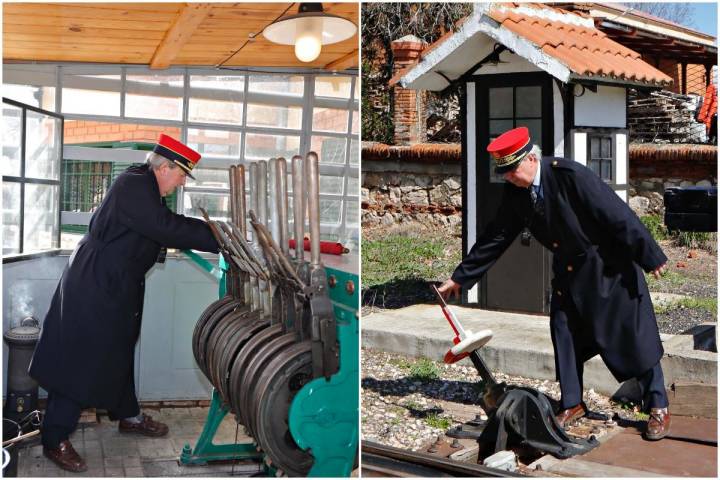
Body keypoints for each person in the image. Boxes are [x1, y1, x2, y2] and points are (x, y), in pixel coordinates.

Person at [438, 126, 671, 441]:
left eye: (511, 169)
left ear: (531, 158)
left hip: (608, 269)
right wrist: (460, 277)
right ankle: (573, 404)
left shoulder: (570, 176)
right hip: (570, 273)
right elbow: (497, 235)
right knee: (565, 334)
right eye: (503, 172)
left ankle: (657, 404)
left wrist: (649, 254)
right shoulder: (517, 193)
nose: (507, 177)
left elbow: (617, 214)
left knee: (632, 335)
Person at [29, 134, 220, 472]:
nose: (180, 182)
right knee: (82, 355)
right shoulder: (134, 184)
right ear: (165, 167)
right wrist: (218, 236)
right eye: (180, 175)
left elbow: (152, 230)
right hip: (97, 283)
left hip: (116, 281)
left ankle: (128, 416)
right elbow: (163, 227)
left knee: (117, 349)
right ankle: (54, 437)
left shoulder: (145, 186)